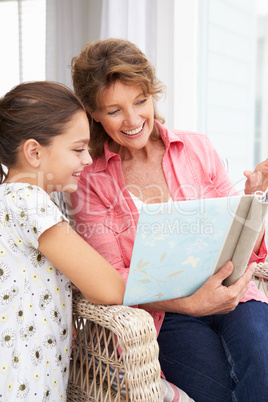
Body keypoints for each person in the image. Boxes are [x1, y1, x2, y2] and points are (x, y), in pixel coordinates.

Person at [69, 38, 268, 402]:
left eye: (141, 101)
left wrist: (255, 202)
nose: (132, 121)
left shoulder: (197, 148)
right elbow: (112, 276)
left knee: (265, 364)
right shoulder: (87, 180)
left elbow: (241, 245)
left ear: (152, 94)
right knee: (219, 393)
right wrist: (191, 304)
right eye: (114, 110)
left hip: (232, 295)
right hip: (170, 315)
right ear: (93, 113)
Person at [0, 81, 125, 401]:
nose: (87, 160)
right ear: (34, 151)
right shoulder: (30, 201)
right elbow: (109, 289)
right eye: (78, 148)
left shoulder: (10, 199)